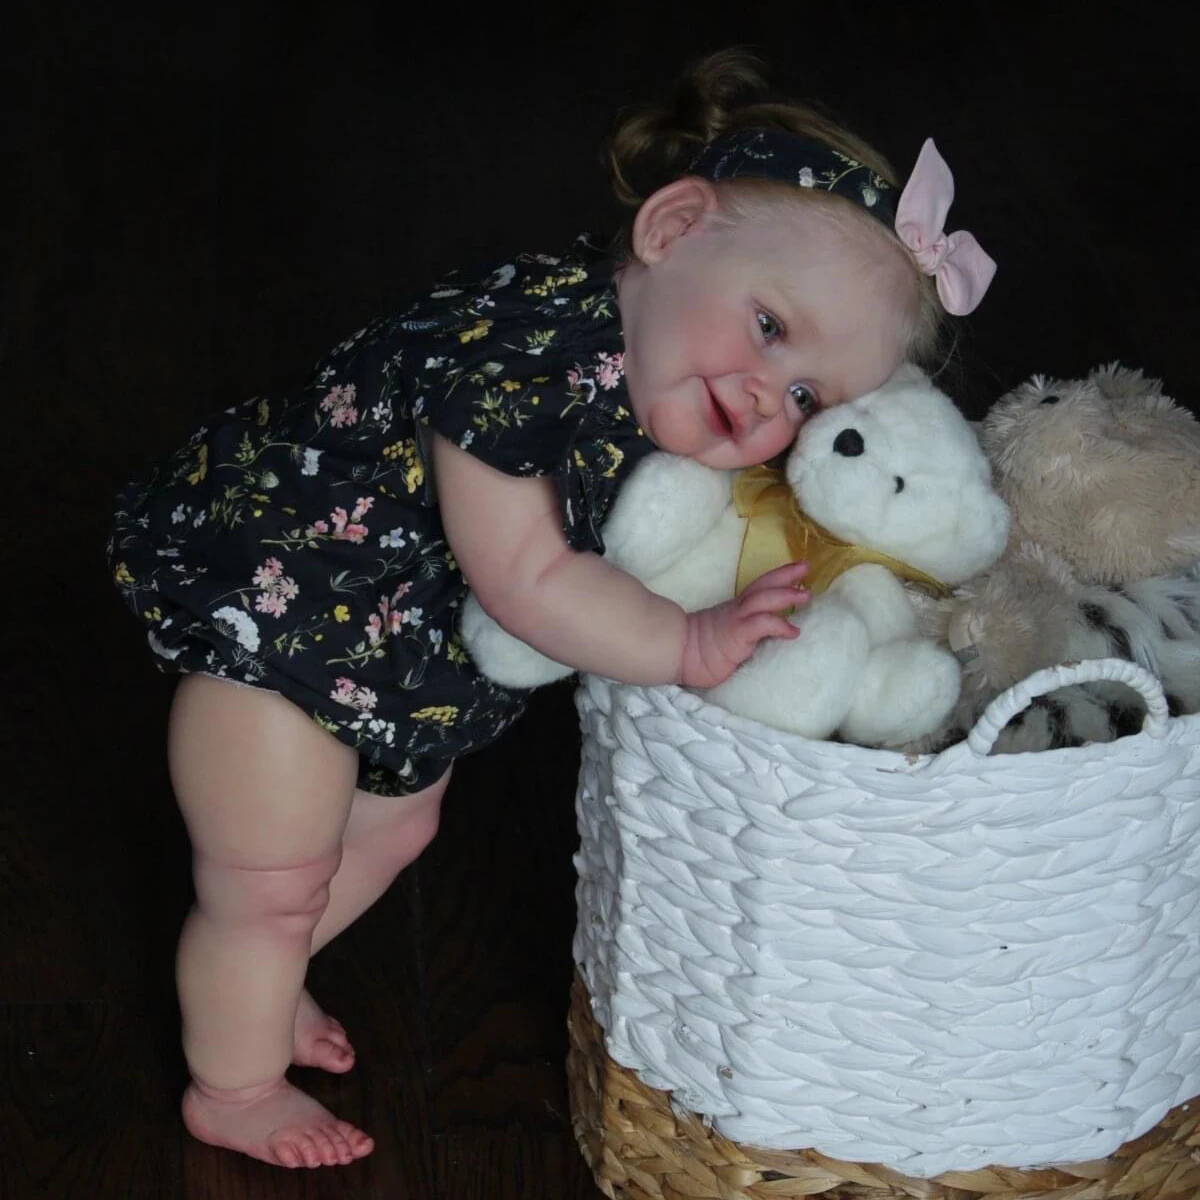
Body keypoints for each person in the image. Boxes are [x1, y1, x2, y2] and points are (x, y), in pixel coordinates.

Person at [107, 48, 994, 1170]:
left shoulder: (656, 361)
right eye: (771, 327)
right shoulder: (518, 346)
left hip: (391, 653)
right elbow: (523, 576)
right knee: (269, 883)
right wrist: (686, 643)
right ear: (672, 230)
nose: (768, 393)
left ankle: (251, 984)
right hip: (283, 622)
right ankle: (231, 1082)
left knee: (395, 829)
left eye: (808, 395)